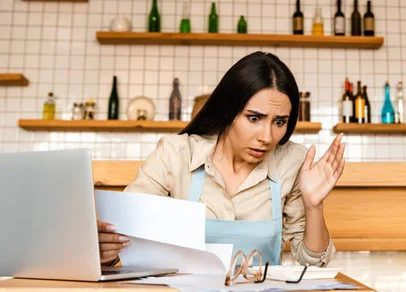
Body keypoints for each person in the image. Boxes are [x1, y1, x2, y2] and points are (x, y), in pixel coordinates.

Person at [97, 51, 346, 268]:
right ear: (228, 111)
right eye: (254, 118)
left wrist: (314, 206)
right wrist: (104, 251)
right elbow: (123, 237)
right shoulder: (176, 155)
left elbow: (312, 262)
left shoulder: (292, 162)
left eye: (279, 122)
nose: (267, 137)